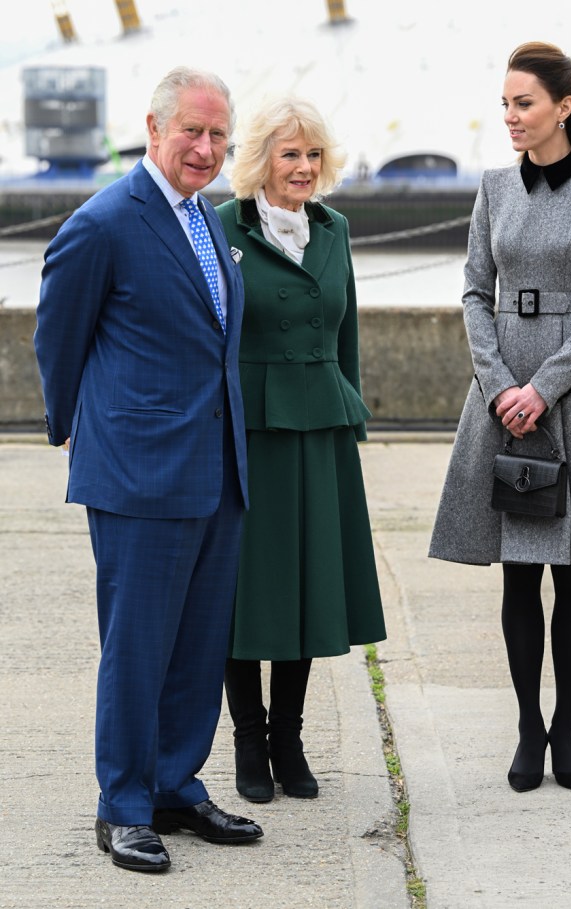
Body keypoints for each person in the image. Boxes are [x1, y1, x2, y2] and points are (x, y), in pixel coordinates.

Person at [34, 66, 264, 872]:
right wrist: (74, 428)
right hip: (138, 475)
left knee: (199, 645)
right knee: (136, 646)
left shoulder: (207, 218)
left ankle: (175, 782)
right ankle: (124, 802)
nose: (204, 149)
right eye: (191, 133)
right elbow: (56, 340)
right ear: (154, 128)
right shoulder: (104, 222)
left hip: (216, 468)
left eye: (217, 136)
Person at [428, 42, 571, 793]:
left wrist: (546, 386)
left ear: (564, 106)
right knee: (520, 571)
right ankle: (528, 725)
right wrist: (502, 386)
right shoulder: (495, 187)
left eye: (523, 103)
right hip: (502, 395)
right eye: (504, 104)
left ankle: (567, 726)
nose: (510, 117)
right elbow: (473, 291)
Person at [216, 97, 386, 803]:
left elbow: (345, 334)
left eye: (314, 155)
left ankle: (289, 733)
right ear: (261, 161)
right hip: (248, 429)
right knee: (245, 589)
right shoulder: (220, 226)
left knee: (309, 586)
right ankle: (248, 739)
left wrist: (352, 413)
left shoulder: (334, 228)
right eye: (291, 154)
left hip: (320, 428)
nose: (305, 168)